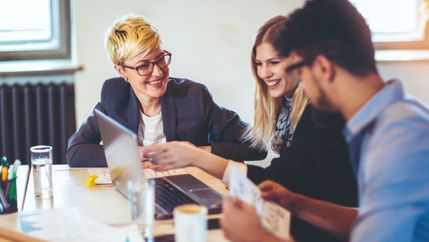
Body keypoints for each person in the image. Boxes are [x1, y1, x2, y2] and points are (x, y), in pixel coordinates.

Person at [224, 0, 429, 242]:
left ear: (323, 68)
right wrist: (298, 204)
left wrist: (258, 237)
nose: (301, 84)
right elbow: (368, 224)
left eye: (299, 72)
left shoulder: (399, 142)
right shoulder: (393, 120)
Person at [142, 16, 357, 242]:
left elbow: (281, 179)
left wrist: (197, 156)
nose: (264, 73)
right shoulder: (287, 104)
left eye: (274, 62)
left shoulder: (322, 112)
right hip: (300, 217)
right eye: (259, 63)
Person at [66, 14, 266, 167]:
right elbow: (75, 152)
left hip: (187, 192)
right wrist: (136, 154)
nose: (158, 72)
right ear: (121, 70)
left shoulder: (194, 96)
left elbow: (257, 146)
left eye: (160, 58)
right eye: (143, 65)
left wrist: (197, 152)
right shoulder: (113, 96)